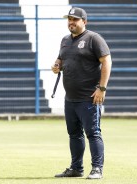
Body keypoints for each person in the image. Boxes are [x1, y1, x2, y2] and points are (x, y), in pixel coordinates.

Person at [51, 7, 112, 179]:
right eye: (69, 19)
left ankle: (97, 169)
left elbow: (107, 62)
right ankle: (76, 168)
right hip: (70, 98)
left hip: (89, 98)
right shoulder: (65, 40)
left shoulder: (94, 39)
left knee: (93, 133)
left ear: (84, 21)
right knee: (74, 134)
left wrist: (101, 88)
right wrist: (56, 66)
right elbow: (61, 59)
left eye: (75, 20)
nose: (71, 22)